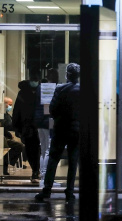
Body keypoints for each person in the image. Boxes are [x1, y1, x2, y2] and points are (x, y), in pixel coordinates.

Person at [35, 63, 80, 201]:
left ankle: (47, 190)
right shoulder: (83, 90)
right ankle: (69, 192)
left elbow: (52, 109)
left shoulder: (60, 89)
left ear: (67, 74)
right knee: (73, 161)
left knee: (53, 159)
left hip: (61, 129)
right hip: (77, 130)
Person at [12, 71, 42, 183]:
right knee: (31, 150)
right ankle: (36, 170)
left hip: (36, 126)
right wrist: (16, 127)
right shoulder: (23, 92)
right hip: (29, 126)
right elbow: (17, 111)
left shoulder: (40, 91)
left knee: (36, 150)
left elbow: (17, 110)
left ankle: (36, 171)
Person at [35, 68, 59, 180]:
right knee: (49, 149)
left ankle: (43, 175)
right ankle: (45, 177)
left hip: (39, 121)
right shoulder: (52, 88)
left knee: (43, 149)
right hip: (49, 121)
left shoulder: (40, 87)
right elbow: (49, 108)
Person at [2, 97, 25, 175]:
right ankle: (8, 163)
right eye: (9, 104)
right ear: (4, 104)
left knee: (21, 145)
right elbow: (2, 128)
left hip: (7, 136)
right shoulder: (2, 115)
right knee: (18, 146)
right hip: (3, 137)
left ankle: (10, 162)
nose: (10, 106)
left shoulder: (7, 115)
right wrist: (9, 135)